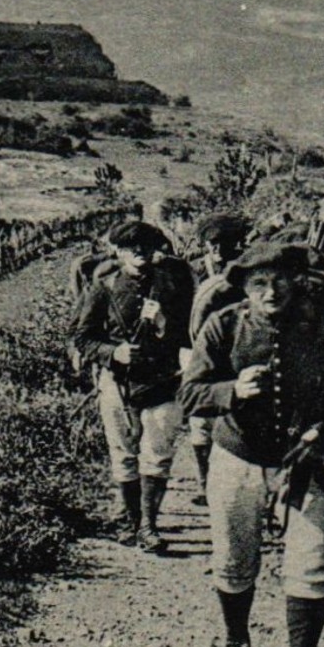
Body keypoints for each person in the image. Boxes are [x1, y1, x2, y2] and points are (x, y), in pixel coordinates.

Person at [180, 243, 324, 647]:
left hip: (301, 461)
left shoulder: (320, 329)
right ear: (244, 288)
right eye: (260, 283)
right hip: (237, 456)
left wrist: (323, 432)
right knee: (234, 558)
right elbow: (190, 395)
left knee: (313, 557)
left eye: (281, 280)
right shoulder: (224, 326)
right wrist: (232, 390)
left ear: (297, 282)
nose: (272, 292)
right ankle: (236, 643)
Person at [73, 220, 196, 553]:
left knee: (157, 456)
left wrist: (162, 325)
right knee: (124, 456)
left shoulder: (173, 285)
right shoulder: (105, 287)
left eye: (145, 246)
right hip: (117, 383)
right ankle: (131, 521)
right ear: (118, 251)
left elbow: (189, 336)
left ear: (154, 249)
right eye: (130, 248)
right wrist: (114, 352)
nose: (138, 252)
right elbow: (82, 337)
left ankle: (148, 527)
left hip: (162, 381)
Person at [185, 213, 253, 496]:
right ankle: (204, 482)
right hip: (200, 345)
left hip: (239, 347)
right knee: (201, 419)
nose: (218, 249)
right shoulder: (195, 270)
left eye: (224, 243)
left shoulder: (246, 269)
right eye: (212, 243)